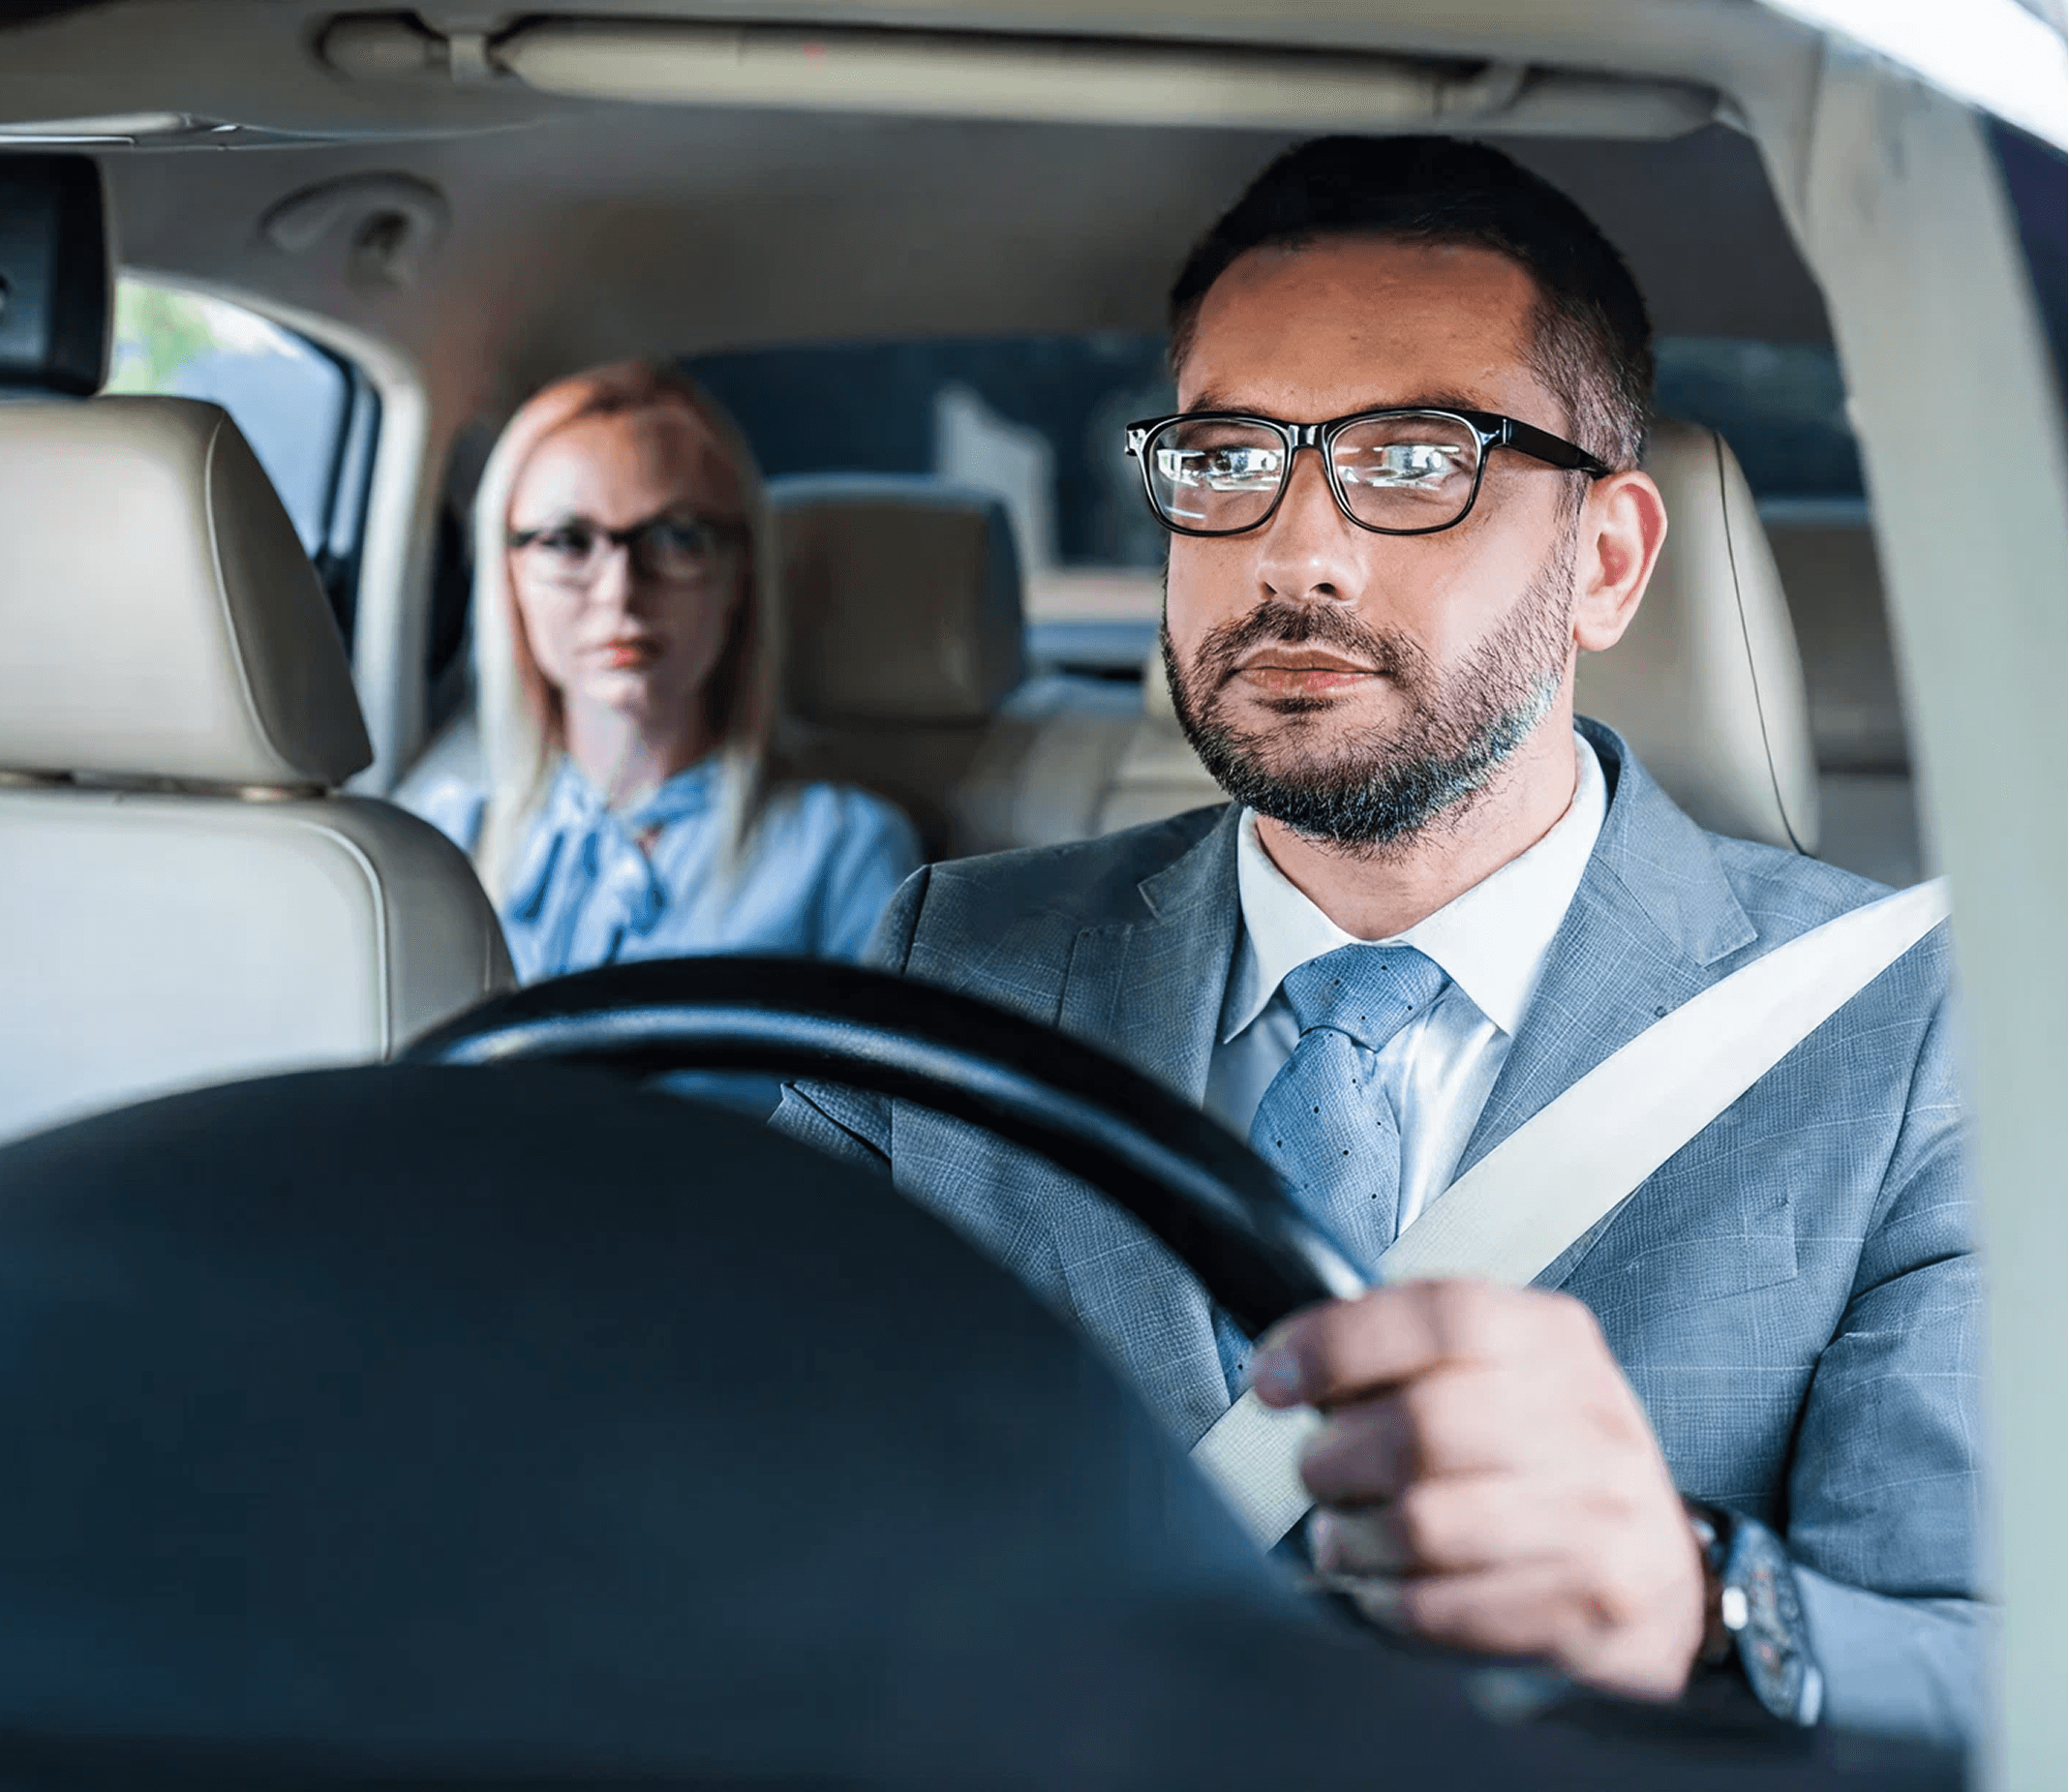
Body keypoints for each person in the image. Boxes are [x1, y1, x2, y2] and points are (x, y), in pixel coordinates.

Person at [773, 138, 1980, 1743]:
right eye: (1225, 461)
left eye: (1414, 463)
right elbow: (743, 1495)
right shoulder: (953, 958)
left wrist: (1704, 1601)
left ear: (1604, 562)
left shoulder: (1912, 1031)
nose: (1294, 552)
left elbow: (1995, 1669)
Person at [406, 362, 922, 981]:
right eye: (568, 542)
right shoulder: (441, 837)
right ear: (507, 577)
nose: (620, 594)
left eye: (676, 538)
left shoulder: (841, 849)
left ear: (740, 576)